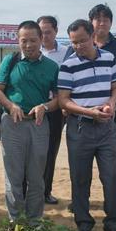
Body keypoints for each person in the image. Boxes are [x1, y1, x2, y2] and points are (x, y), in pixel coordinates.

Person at [58, 19, 116, 231]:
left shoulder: (109, 58)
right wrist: (89, 112)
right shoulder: (68, 65)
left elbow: (115, 87)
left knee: (112, 176)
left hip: (106, 128)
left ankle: (113, 222)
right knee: (80, 179)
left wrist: (113, 103)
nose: (78, 47)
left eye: (82, 41)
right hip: (80, 128)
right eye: (73, 43)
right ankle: (84, 224)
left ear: (93, 36)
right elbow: (64, 101)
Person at [0, 20, 59, 224]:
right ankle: (16, 221)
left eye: (33, 40)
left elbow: (59, 99)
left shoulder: (52, 66)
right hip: (12, 125)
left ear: (41, 39)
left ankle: (34, 221)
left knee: (37, 177)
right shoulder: (10, 61)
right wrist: (11, 106)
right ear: (18, 40)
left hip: (39, 125)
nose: (28, 45)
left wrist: (45, 107)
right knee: (14, 176)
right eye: (24, 40)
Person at [37, 15, 69, 205]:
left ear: (56, 31)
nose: (44, 36)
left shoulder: (67, 53)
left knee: (50, 151)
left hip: (55, 108)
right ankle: (30, 191)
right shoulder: (32, 51)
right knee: (32, 151)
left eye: (48, 32)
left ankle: (45, 191)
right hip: (34, 109)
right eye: (41, 32)